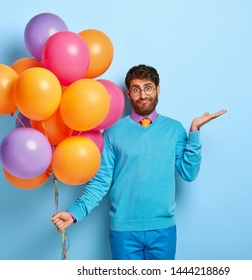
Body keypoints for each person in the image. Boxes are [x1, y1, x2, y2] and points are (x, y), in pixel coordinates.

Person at [51, 64, 227, 260]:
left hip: (163, 230)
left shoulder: (175, 129)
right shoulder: (113, 132)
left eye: (148, 88)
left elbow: (189, 173)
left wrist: (194, 132)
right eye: (136, 89)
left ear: (158, 89)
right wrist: (74, 213)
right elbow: (101, 182)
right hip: (123, 232)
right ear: (128, 93)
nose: (143, 95)